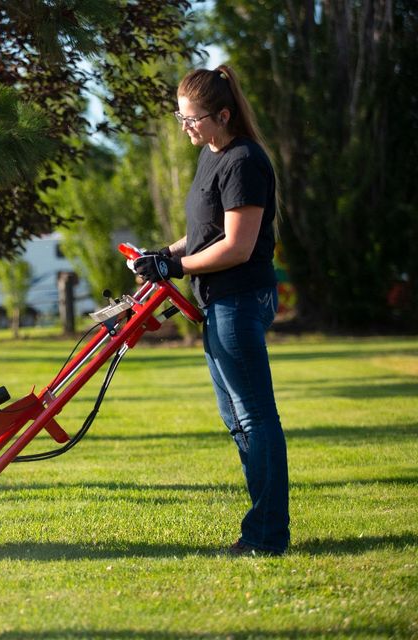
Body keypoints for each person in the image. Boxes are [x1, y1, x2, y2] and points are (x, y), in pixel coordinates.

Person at [133, 65, 289, 556]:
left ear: (223, 114)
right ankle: (263, 531)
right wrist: (163, 255)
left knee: (256, 419)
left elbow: (237, 247)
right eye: (181, 119)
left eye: (193, 119)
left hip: (241, 299)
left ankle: (267, 536)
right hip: (220, 303)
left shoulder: (244, 161)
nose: (186, 128)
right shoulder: (212, 155)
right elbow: (204, 236)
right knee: (239, 421)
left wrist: (175, 269)